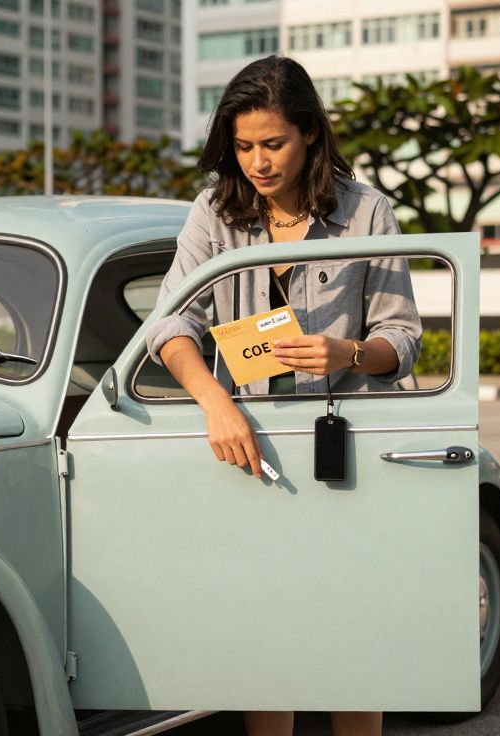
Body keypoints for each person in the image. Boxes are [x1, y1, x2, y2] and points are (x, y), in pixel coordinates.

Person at [144, 56, 422, 736]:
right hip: (253, 448)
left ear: (309, 136)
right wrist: (215, 402)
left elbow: (402, 334)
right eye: (243, 147)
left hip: (346, 451)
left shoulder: (367, 211)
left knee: (350, 638)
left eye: (274, 144)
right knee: (266, 640)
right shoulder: (214, 213)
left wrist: (347, 352)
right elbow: (171, 322)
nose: (258, 162)